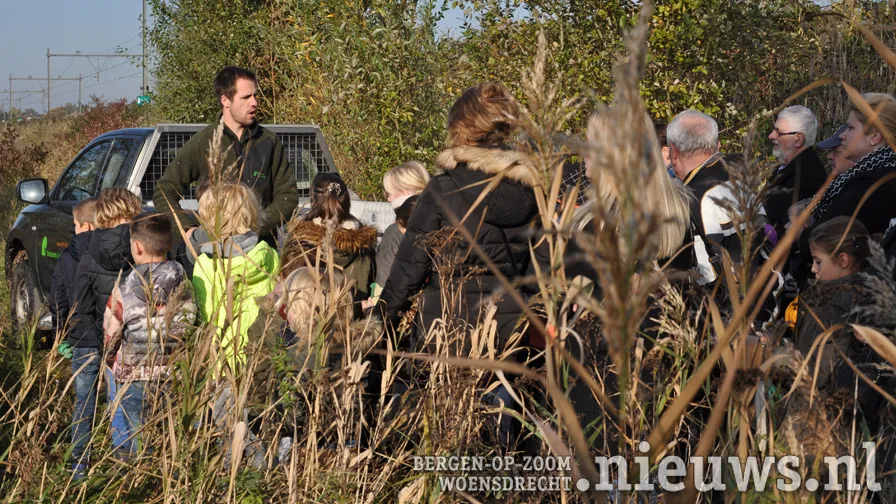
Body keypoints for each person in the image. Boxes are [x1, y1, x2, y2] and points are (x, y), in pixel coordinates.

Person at [380, 82, 540, 353]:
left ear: (461, 128)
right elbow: (541, 271)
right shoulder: (531, 191)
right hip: (508, 333)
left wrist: (380, 323)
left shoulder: (444, 189)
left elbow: (409, 269)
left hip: (444, 328)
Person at [152, 66, 299, 244]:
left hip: (261, 253)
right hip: (213, 255)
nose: (254, 103)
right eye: (246, 97)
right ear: (225, 100)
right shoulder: (204, 142)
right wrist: (187, 230)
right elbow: (164, 189)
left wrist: (256, 228)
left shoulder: (269, 142)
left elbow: (288, 197)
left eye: (255, 96)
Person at [248, 267, 382, 459]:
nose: (284, 306)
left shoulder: (297, 358)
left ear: (306, 309)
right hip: (348, 442)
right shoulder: (361, 344)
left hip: (303, 448)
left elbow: (290, 418)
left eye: (291, 302)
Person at [191, 181, 279, 468]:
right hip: (258, 355)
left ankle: (242, 479)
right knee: (253, 422)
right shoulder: (268, 256)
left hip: (219, 360)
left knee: (228, 429)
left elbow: (204, 317)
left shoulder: (205, 264)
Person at [667, 109, 783, 325]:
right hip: (764, 306)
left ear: (673, 151)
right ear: (716, 144)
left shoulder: (688, 197)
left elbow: (697, 276)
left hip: (722, 322)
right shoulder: (740, 184)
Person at [102, 213, 197, 457]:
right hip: (173, 374)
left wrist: (111, 362)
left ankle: (141, 477)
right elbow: (190, 323)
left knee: (138, 434)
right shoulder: (185, 284)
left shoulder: (124, 288)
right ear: (169, 244)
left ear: (136, 246)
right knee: (170, 433)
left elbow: (111, 333)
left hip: (133, 376)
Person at [69, 188, 143, 478]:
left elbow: (81, 304)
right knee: (127, 403)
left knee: (84, 403)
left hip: (89, 338)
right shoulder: (142, 247)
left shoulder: (87, 251)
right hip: (131, 341)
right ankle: (132, 468)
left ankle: (78, 466)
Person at [793, 217, 886, 428]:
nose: (813, 270)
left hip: (820, 410)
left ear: (843, 261)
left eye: (818, 261)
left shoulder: (834, 303)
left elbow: (820, 367)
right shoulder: (864, 294)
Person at [798, 93, 896, 288]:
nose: (842, 135)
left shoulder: (875, 184)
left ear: (875, 136)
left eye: (851, 128)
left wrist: (800, 229)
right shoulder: (866, 175)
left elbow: (816, 241)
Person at [281, 173, 377, 316]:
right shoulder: (365, 245)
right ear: (347, 202)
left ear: (313, 201)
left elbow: (286, 291)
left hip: (307, 328)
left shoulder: (299, 243)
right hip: (352, 331)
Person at [368, 161, 430, 305]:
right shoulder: (444, 223)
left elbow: (383, 282)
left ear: (404, 193)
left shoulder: (395, 232)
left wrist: (374, 309)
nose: (388, 199)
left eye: (389, 194)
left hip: (401, 313)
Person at [765, 106, 827, 240]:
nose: (771, 136)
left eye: (778, 132)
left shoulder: (808, 176)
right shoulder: (788, 166)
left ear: (798, 139)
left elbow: (787, 227)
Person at [51, 197, 97, 351]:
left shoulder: (67, 256)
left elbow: (59, 298)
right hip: (111, 334)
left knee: (84, 373)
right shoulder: (113, 252)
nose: (74, 229)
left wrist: (59, 336)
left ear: (86, 226)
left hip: (80, 336)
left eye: (76, 224)